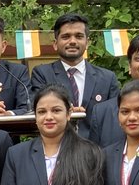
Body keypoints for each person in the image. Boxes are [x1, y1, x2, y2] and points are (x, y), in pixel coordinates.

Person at [30, 13, 120, 144]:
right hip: (58, 147)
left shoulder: (107, 78)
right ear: (55, 44)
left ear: (87, 43)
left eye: (79, 36)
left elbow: (114, 119)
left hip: (97, 149)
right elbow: (37, 110)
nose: (72, 41)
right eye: (66, 36)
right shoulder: (42, 74)